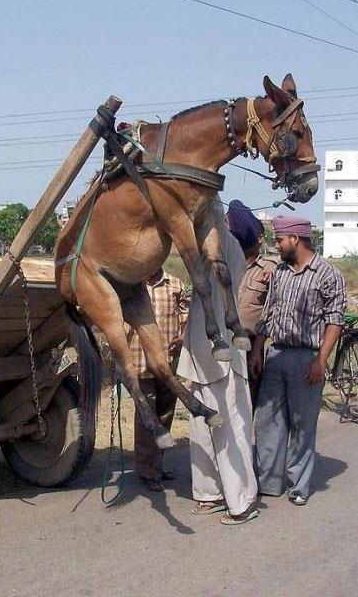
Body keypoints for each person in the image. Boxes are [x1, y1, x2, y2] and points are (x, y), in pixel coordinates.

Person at [248, 215, 346, 506]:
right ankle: (268, 481)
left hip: (308, 357)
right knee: (267, 422)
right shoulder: (280, 272)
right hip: (277, 354)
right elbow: (269, 313)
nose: (276, 245)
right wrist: (257, 350)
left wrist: (320, 360)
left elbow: (335, 321)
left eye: (280, 240)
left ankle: (298, 485)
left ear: (297, 239)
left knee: (302, 424)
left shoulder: (328, 274)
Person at [177, 210, 260, 525]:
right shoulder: (208, 245)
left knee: (230, 428)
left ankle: (241, 501)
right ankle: (208, 493)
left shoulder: (226, 245)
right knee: (201, 429)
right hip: (202, 352)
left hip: (223, 353)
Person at [127, 267, 189, 492]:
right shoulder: (130, 283)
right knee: (147, 421)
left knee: (165, 416)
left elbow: (185, 313)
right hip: (139, 362)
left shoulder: (175, 284)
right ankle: (148, 472)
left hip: (168, 364)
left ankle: (157, 465)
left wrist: (183, 335)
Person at [225, 199, 278, 404]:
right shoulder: (226, 265)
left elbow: (270, 314)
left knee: (247, 404)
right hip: (224, 344)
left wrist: (257, 350)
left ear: (261, 240)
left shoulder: (270, 269)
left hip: (250, 348)